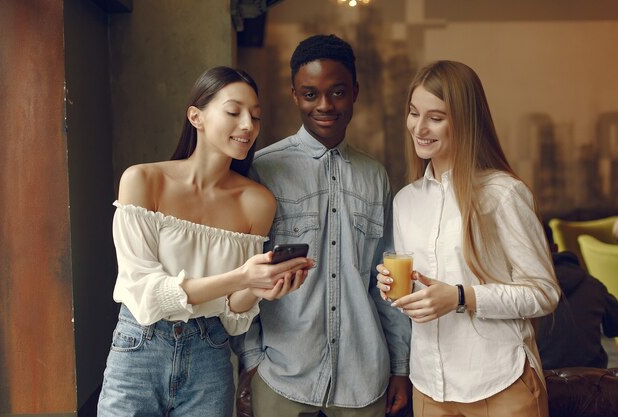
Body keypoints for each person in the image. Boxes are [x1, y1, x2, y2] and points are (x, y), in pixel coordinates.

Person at [97, 66, 313, 417]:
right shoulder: (143, 180)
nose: (248, 125)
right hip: (139, 349)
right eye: (233, 112)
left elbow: (232, 314)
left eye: (255, 117)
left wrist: (260, 286)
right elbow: (147, 292)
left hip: (209, 354)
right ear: (195, 116)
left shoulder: (257, 202)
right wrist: (243, 277)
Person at [232, 34, 412, 417]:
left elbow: (389, 281)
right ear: (294, 94)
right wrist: (251, 360)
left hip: (363, 379)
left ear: (355, 93)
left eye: (338, 92)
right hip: (282, 375)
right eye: (311, 94)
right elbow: (242, 272)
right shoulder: (262, 169)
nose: (325, 106)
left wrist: (400, 367)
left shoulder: (375, 176)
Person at [376, 60, 561, 417]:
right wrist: (394, 288)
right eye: (414, 113)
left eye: (436, 117)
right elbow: (417, 290)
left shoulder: (503, 195)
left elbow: (544, 293)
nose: (420, 127)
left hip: (500, 383)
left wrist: (461, 297)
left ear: (464, 120)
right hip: (430, 389)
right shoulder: (405, 201)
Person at [537, 227, 618, 369]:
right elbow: (614, 326)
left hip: (541, 386)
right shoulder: (590, 283)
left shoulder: (511, 297)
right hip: (595, 384)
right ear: (555, 248)